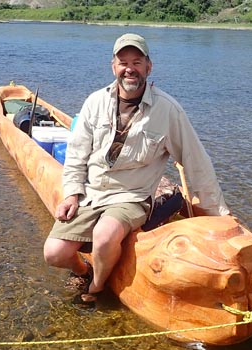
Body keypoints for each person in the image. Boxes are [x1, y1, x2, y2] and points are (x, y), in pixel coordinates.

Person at [43, 33, 230, 307]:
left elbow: (196, 162)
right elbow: (75, 155)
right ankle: (85, 270)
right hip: (92, 193)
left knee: (105, 234)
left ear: (148, 67)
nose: (130, 68)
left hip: (132, 197)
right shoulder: (95, 102)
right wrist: (72, 194)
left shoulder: (167, 110)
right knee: (54, 253)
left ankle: (97, 287)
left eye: (137, 62)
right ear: (113, 67)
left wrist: (219, 217)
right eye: (123, 62)